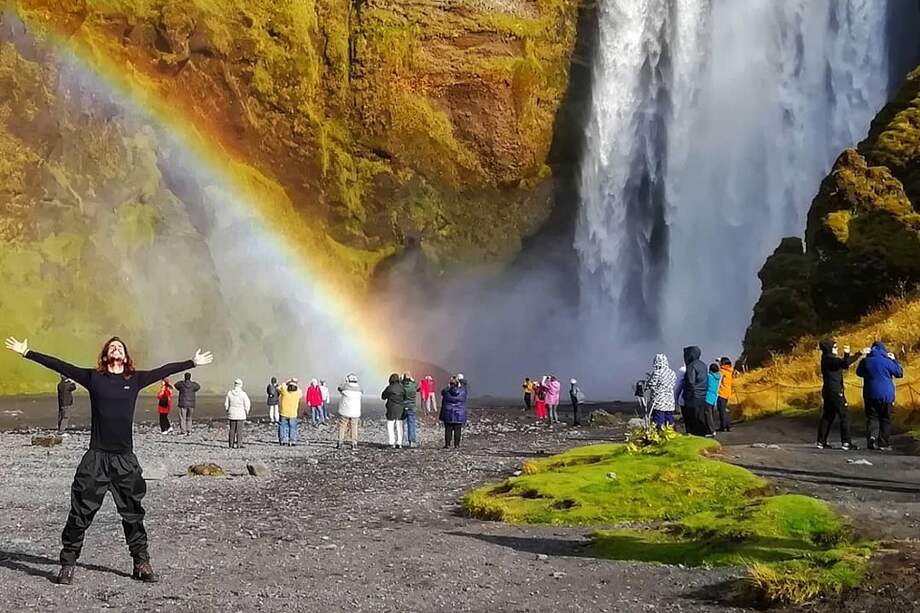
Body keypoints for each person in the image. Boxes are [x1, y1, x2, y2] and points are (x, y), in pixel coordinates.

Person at [5, 335, 213, 584]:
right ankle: (68, 563)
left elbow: (163, 370)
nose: (116, 349)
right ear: (106, 356)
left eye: (120, 347)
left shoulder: (134, 379)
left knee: (133, 513)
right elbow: (61, 366)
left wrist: (192, 362)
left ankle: (141, 562)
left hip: (124, 459)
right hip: (97, 457)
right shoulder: (95, 378)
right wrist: (27, 352)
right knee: (80, 512)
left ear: (125, 357)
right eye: (112, 347)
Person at [856, 341, 903, 451]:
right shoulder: (887, 361)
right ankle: (883, 443)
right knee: (885, 419)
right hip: (886, 394)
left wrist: (865, 357)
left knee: (872, 418)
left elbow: (859, 373)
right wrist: (894, 360)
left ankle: (871, 438)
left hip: (869, 394)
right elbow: (899, 373)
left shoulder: (865, 361)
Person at [816, 340, 861, 450]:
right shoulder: (830, 359)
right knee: (844, 415)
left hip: (828, 390)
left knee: (828, 415)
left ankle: (821, 441)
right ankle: (846, 442)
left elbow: (842, 365)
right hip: (835, 391)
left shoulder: (826, 359)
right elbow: (845, 364)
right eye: (835, 347)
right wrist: (858, 354)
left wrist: (847, 355)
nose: (837, 349)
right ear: (829, 348)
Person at [682, 346, 710, 436]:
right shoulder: (703, 365)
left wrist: (687, 394)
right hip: (702, 395)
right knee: (701, 418)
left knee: (693, 420)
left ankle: (695, 436)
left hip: (693, 397)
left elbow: (691, 381)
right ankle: (702, 435)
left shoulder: (691, 366)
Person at [647, 354, 677, 429]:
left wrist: (647, 384)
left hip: (659, 400)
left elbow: (651, 384)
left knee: (659, 417)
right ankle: (671, 432)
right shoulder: (672, 372)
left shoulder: (657, 372)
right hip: (669, 399)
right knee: (669, 417)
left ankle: (660, 432)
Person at [440, 375, 468, 448]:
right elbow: (465, 385)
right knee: (458, 429)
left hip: (448, 412)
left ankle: (447, 444)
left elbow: (442, 392)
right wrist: (460, 382)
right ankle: (457, 445)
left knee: (448, 429)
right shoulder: (463, 391)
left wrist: (448, 386)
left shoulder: (446, 391)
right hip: (459, 413)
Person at [336, 374, 362, 449]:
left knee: (342, 426)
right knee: (354, 427)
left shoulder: (345, 387)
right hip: (355, 412)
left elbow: (339, 388)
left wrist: (345, 382)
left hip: (345, 410)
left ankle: (340, 442)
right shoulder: (359, 389)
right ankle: (354, 443)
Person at [224, 378, 251, 449]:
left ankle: (231, 444)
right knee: (239, 430)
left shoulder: (229, 393)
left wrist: (227, 410)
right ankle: (239, 444)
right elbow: (247, 404)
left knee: (232, 429)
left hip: (232, 413)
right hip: (240, 414)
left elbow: (226, 404)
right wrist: (246, 411)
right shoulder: (243, 394)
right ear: (241, 385)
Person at [382, 373, 406, 449]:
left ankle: (391, 442)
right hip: (400, 409)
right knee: (399, 426)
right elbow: (405, 397)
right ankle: (399, 443)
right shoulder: (402, 388)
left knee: (390, 426)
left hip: (391, 409)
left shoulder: (389, 388)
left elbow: (383, 397)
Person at [278, 378, 301, 446]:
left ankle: (282, 440)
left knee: (282, 427)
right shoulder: (297, 393)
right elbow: (300, 391)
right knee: (292, 427)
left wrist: (288, 381)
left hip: (283, 412)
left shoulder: (284, 391)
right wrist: (295, 382)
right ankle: (292, 441)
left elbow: (280, 387)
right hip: (293, 414)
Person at [716, 358, 734, 432]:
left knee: (721, 411)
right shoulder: (729, 371)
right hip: (727, 393)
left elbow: (718, 382)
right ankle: (728, 426)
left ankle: (723, 426)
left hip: (721, 393)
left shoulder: (721, 371)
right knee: (724, 410)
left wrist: (716, 391)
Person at [704, 363, 722, 437]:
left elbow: (705, 385)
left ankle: (711, 431)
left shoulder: (709, 376)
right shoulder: (718, 376)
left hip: (707, 397)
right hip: (714, 397)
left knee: (708, 415)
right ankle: (712, 429)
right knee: (712, 414)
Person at [402, 373, 420, 448]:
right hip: (411, 407)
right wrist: (413, 380)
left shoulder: (402, 386)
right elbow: (418, 386)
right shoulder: (413, 386)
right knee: (411, 425)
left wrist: (401, 380)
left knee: (399, 424)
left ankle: (399, 440)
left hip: (403, 407)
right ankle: (411, 441)